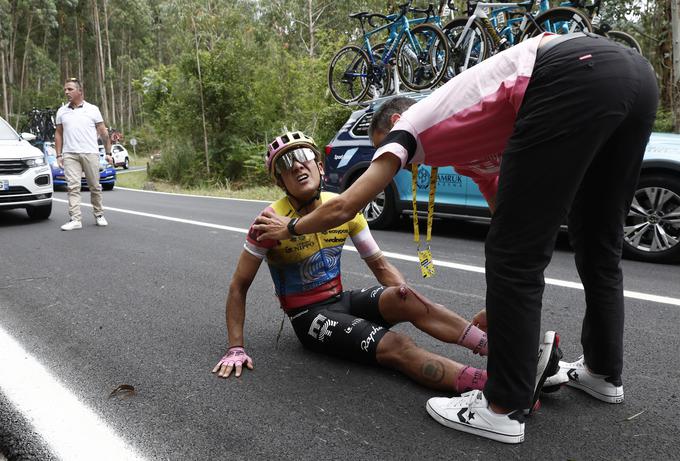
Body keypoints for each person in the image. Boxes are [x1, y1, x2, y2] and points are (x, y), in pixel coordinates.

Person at [253, 32, 658, 443]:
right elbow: (511, 222)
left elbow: (343, 207)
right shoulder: (468, 150)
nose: (399, 168)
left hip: (571, 71)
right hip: (635, 79)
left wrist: (289, 228)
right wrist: (502, 311)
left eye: (382, 151)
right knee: (598, 246)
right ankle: (603, 374)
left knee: (515, 254)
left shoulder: (410, 125)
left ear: (392, 126)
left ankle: (501, 406)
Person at [212, 130, 498, 395]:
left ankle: (501, 355)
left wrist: (407, 299)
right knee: (399, 346)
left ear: (320, 166)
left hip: (342, 300)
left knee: (407, 297)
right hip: (309, 317)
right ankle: (495, 388)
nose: (298, 166)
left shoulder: (341, 209)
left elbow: (381, 267)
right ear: (279, 181)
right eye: (287, 163)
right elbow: (239, 286)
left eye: (304, 158)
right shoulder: (268, 222)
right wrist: (235, 347)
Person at [55, 77, 111, 230]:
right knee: (73, 187)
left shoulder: (93, 109)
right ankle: (75, 219)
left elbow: (103, 132)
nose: (66, 92)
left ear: (80, 91)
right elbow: (58, 134)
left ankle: (99, 214)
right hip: (70, 154)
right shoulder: (62, 111)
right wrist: (59, 155)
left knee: (94, 186)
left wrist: (108, 152)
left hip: (90, 153)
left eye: (70, 89)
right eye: (65, 89)